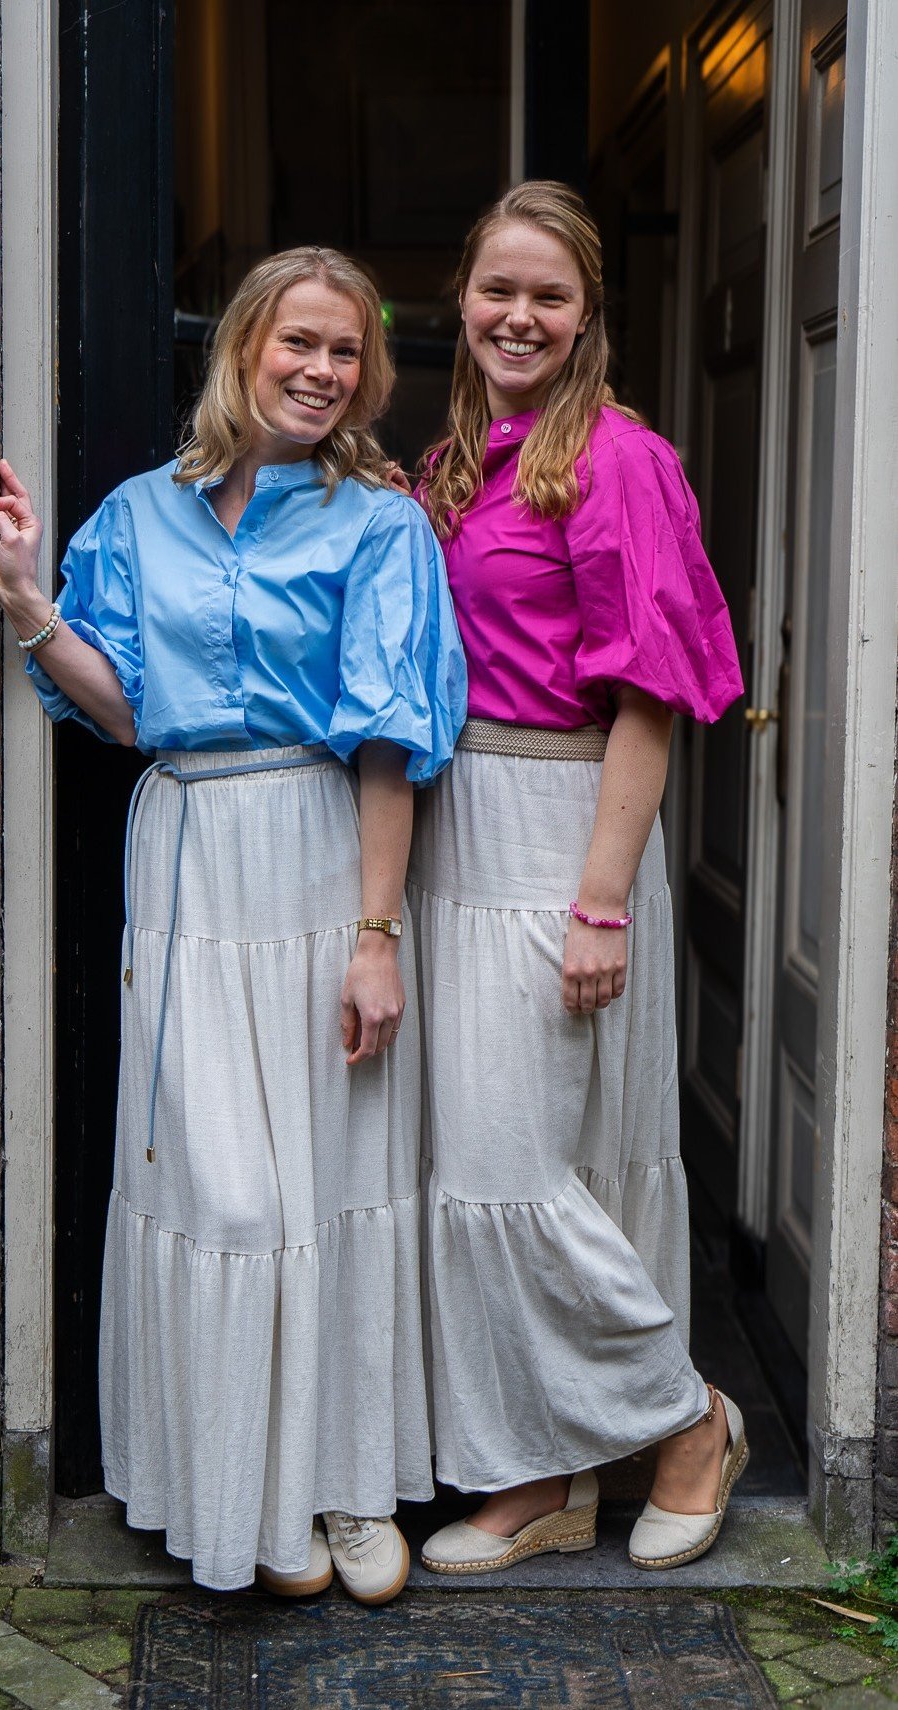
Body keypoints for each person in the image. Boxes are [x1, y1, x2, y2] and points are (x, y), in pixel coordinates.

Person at [0, 247, 466, 1601]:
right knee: (225, 1191)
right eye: (298, 342)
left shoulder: (381, 525)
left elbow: (388, 743)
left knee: (337, 1174)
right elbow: (125, 710)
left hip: (323, 851)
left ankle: (347, 1483)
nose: (322, 370)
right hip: (190, 857)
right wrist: (28, 603)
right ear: (244, 346)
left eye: (346, 351)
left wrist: (376, 934)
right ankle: (236, 1489)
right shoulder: (141, 517)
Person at [408, 183, 747, 1575]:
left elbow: (649, 703)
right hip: (458, 832)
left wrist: (600, 901)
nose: (518, 316)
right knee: (486, 1166)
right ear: (463, 299)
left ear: (587, 313)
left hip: (565, 831)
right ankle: (543, 1474)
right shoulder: (451, 466)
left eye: (548, 295)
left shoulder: (618, 459)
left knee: (519, 1169)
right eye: (498, 288)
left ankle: (685, 1419)